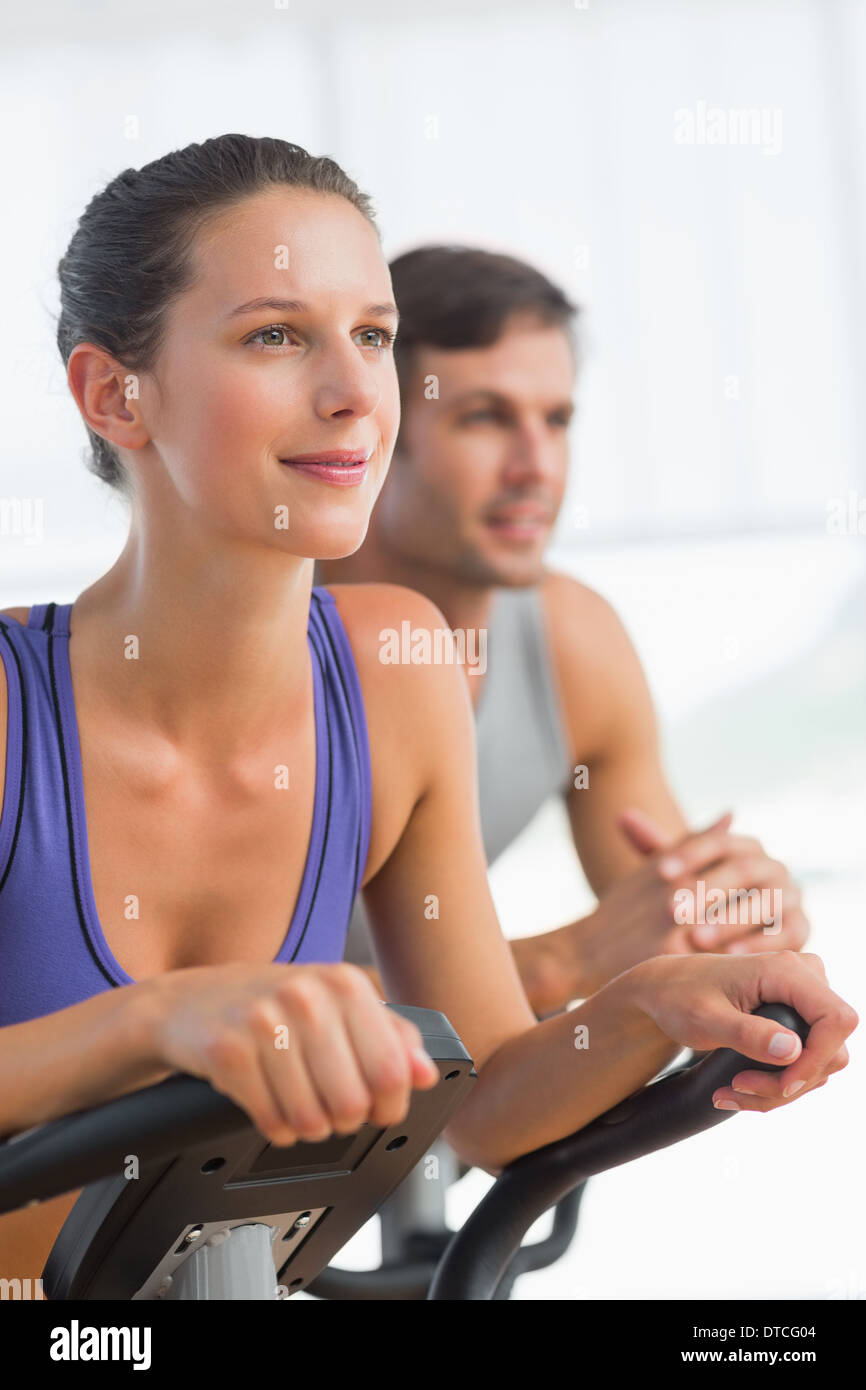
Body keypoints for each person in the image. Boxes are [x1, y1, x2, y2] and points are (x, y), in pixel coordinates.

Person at [0, 134, 855, 1293]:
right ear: (116, 394)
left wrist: (642, 1006)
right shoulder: (12, 704)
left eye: (372, 337)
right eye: (274, 335)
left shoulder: (395, 671)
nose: (357, 393)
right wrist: (159, 1023)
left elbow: (488, 1101)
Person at [317, 246, 810, 1013]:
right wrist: (564, 962)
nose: (536, 467)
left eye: (557, 419)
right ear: (375, 431)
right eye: (485, 418)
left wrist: (733, 924)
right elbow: (211, 1011)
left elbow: (667, 929)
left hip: (437, 1112)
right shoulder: (257, 641)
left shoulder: (572, 640)